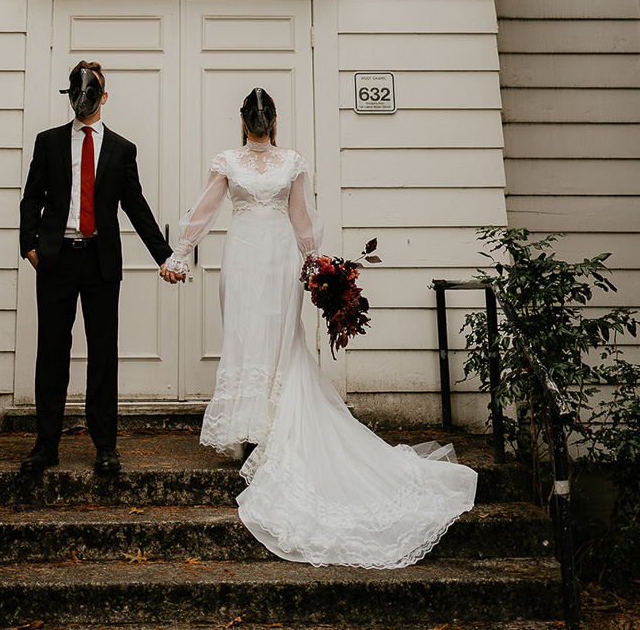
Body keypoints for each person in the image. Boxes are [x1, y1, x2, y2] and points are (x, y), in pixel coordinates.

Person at [161, 87, 478, 568]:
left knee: (279, 335)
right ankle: (250, 425)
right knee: (244, 334)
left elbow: (301, 217)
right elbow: (205, 209)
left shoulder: (292, 160)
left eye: (264, 115)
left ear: (270, 120)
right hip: (243, 255)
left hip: (279, 258)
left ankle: (272, 428)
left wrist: (318, 268)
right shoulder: (226, 160)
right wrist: (180, 252)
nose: (260, 120)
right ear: (244, 118)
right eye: (254, 114)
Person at [19, 59, 181, 475]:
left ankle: (104, 446)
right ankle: (46, 444)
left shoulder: (122, 149)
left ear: (104, 97)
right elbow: (31, 198)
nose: (83, 100)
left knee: (103, 354)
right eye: (76, 92)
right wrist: (29, 248)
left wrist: (165, 256)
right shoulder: (49, 142)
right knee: (51, 353)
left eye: (91, 93)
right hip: (56, 259)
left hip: (101, 262)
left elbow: (136, 207)